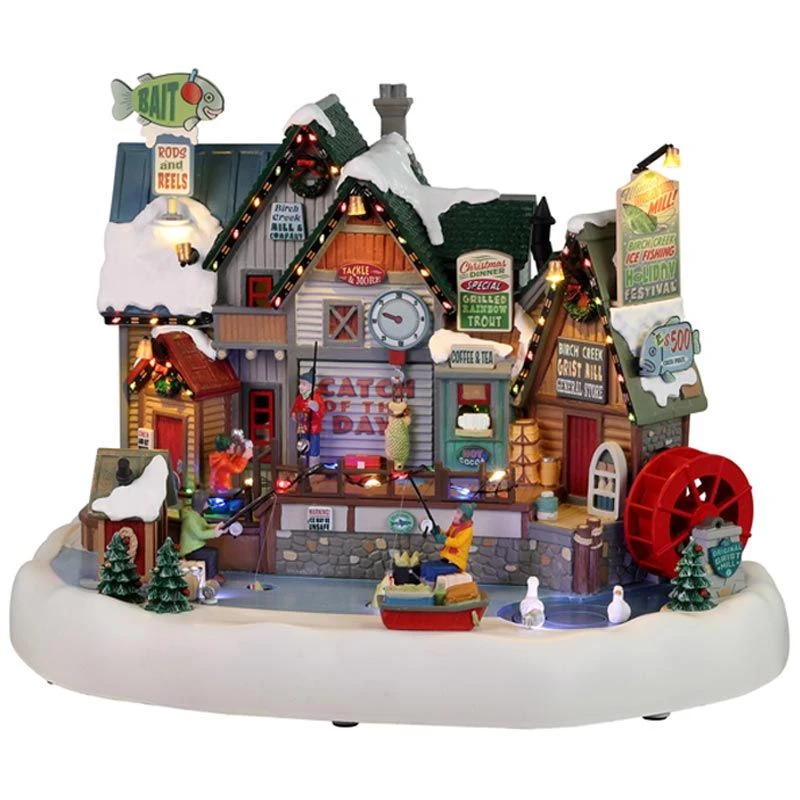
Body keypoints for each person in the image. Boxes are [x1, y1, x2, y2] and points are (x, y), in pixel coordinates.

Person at [419, 503, 477, 582]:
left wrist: (443, 539)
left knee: (431, 570)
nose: (455, 515)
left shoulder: (467, 530)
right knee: (424, 566)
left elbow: (457, 542)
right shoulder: (455, 525)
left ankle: (430, 585)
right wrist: (437, 530)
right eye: (456, 512)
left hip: (456, 563)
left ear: (464, 516)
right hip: (447, 560)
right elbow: (447, 535)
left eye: (458, 513)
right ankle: (422, 583)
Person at [179, 490, 225, 583]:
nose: (208, 503)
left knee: (212, 552)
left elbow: (205, 525)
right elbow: (200, 534)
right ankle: (211, 577)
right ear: (201, 503)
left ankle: (212, 573)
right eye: (206, 501)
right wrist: (214, 533)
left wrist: (218, 526)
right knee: (211, 553)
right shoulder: (190, 518)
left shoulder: (196, 516)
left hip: (197, 547)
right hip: (190, 550)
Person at [291, 370, 326, 465]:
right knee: (303, 447)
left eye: (304, 384)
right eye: (300, 384)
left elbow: (322, 413)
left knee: (313, 448)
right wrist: (295, 415)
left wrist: (316, 409)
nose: (300, 386)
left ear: (311, 386)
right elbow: (295, 409)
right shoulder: (299, 398)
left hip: (313, 429)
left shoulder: (316, 397)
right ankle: (303, 465)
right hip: (303, 428)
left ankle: (313, 466)